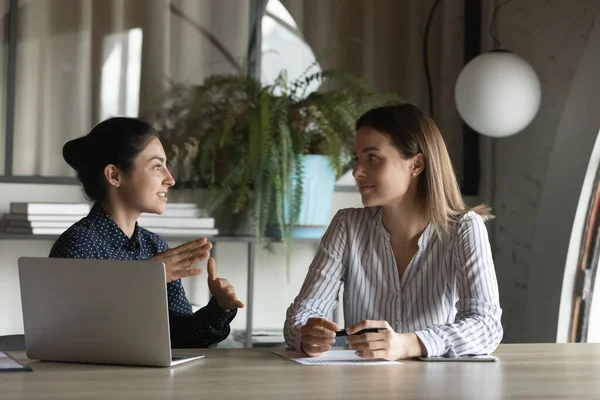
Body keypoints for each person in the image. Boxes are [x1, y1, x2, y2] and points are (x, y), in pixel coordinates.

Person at [284, 103, 503, 360]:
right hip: (363, 387)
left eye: (372, 158)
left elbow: (487, 327)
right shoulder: (347, 226)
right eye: (357, 159)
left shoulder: (464, 228)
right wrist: (306, 335)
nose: (356, 171)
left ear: (416, 165)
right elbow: (298, 319)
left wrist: (407, 344)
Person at [50, 117, 243, 348]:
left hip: (151, 381)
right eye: (156, 166)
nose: (170, 179)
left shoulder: (155, 246)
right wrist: (144, 279)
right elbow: (74, 334)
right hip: (92, 382)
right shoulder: (76, 245)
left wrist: (219, 308)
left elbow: (181, 338)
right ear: (114, 176)